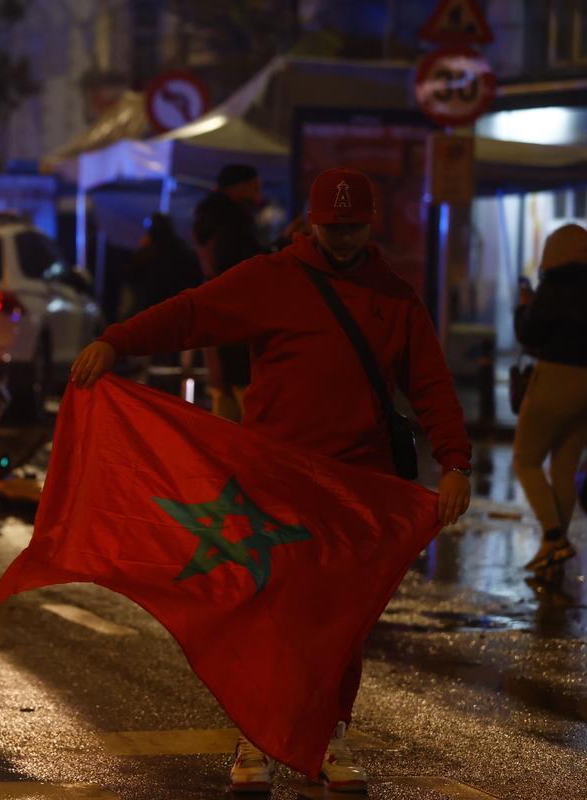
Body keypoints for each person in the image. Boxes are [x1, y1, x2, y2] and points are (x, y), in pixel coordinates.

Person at [70, 167, 472, 793]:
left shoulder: (394, 297)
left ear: (371, 226)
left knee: (339, 622)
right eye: (332, 226)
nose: (341, 238)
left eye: (353, 226)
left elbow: (431, 385)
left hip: (355, 489)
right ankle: (254, 738)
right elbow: (193, 313)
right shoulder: (272, 279)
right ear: (311, 221)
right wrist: (116, 342)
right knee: (268, 613)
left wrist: (456, 463)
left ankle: (330, 737)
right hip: (277, 479)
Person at [512, 223, 587, 574]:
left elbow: (528, 333)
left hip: (555, 376)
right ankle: (553, 549)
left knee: (525, 460)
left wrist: (524, 306)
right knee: (563, 466)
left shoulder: (554, 287)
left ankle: (554, 536)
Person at [191, 164, 264, 421]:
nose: (258, 192)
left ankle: (223, 454)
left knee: (223, 390)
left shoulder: (210, 218)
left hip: (216, 312)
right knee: (243, 388)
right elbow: (245, 265)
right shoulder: (231, 221)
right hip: (235, 314)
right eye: (254, 186)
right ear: (239, 187)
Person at [126, 213, 204, 317]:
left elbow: (133, 276)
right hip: (180, 311)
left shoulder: (148, 254)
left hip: (154, 312)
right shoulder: (183, 251)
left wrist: (142, 251)